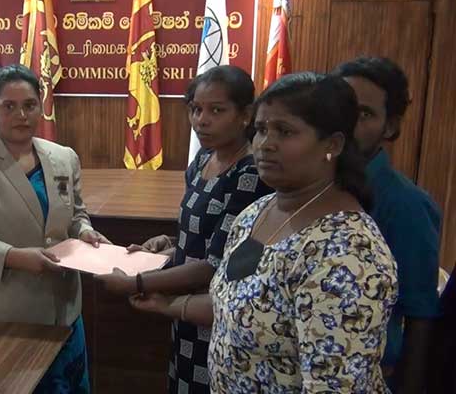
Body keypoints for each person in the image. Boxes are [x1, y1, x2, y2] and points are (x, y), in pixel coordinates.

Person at [129, 73, 398, 392]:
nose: (265, 144)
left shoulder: (349, 254)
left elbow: (336, 385)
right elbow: (234, 299)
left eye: (285, 131)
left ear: (333, 144)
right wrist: (168, 305)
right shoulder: (257, 212)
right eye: (260, 130)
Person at [98, 65, 272, 394]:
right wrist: (167, 246)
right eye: (195, 109)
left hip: (215, 312)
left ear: (246, 115)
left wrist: (136, 282)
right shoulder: (203, 159)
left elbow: (216, 263)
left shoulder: (250, 173)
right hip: (183, 308)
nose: (201, 120)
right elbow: (203, 235)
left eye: (216, 110)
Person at [0, 64, 109, 393]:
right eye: (9, 106)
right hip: (7, 316)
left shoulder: (63, 157)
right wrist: (15, 257)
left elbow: (76, 214)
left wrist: (85, 231)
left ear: (41, 105)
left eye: (29, 105)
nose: (21, 115)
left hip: (65, 310)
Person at [333, 57, 441, 392]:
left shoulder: (406, 204)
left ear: (390, 127)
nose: (346, 123)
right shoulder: (308, 185)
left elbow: (419, 315)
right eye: (340, 108)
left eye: (363, 114)